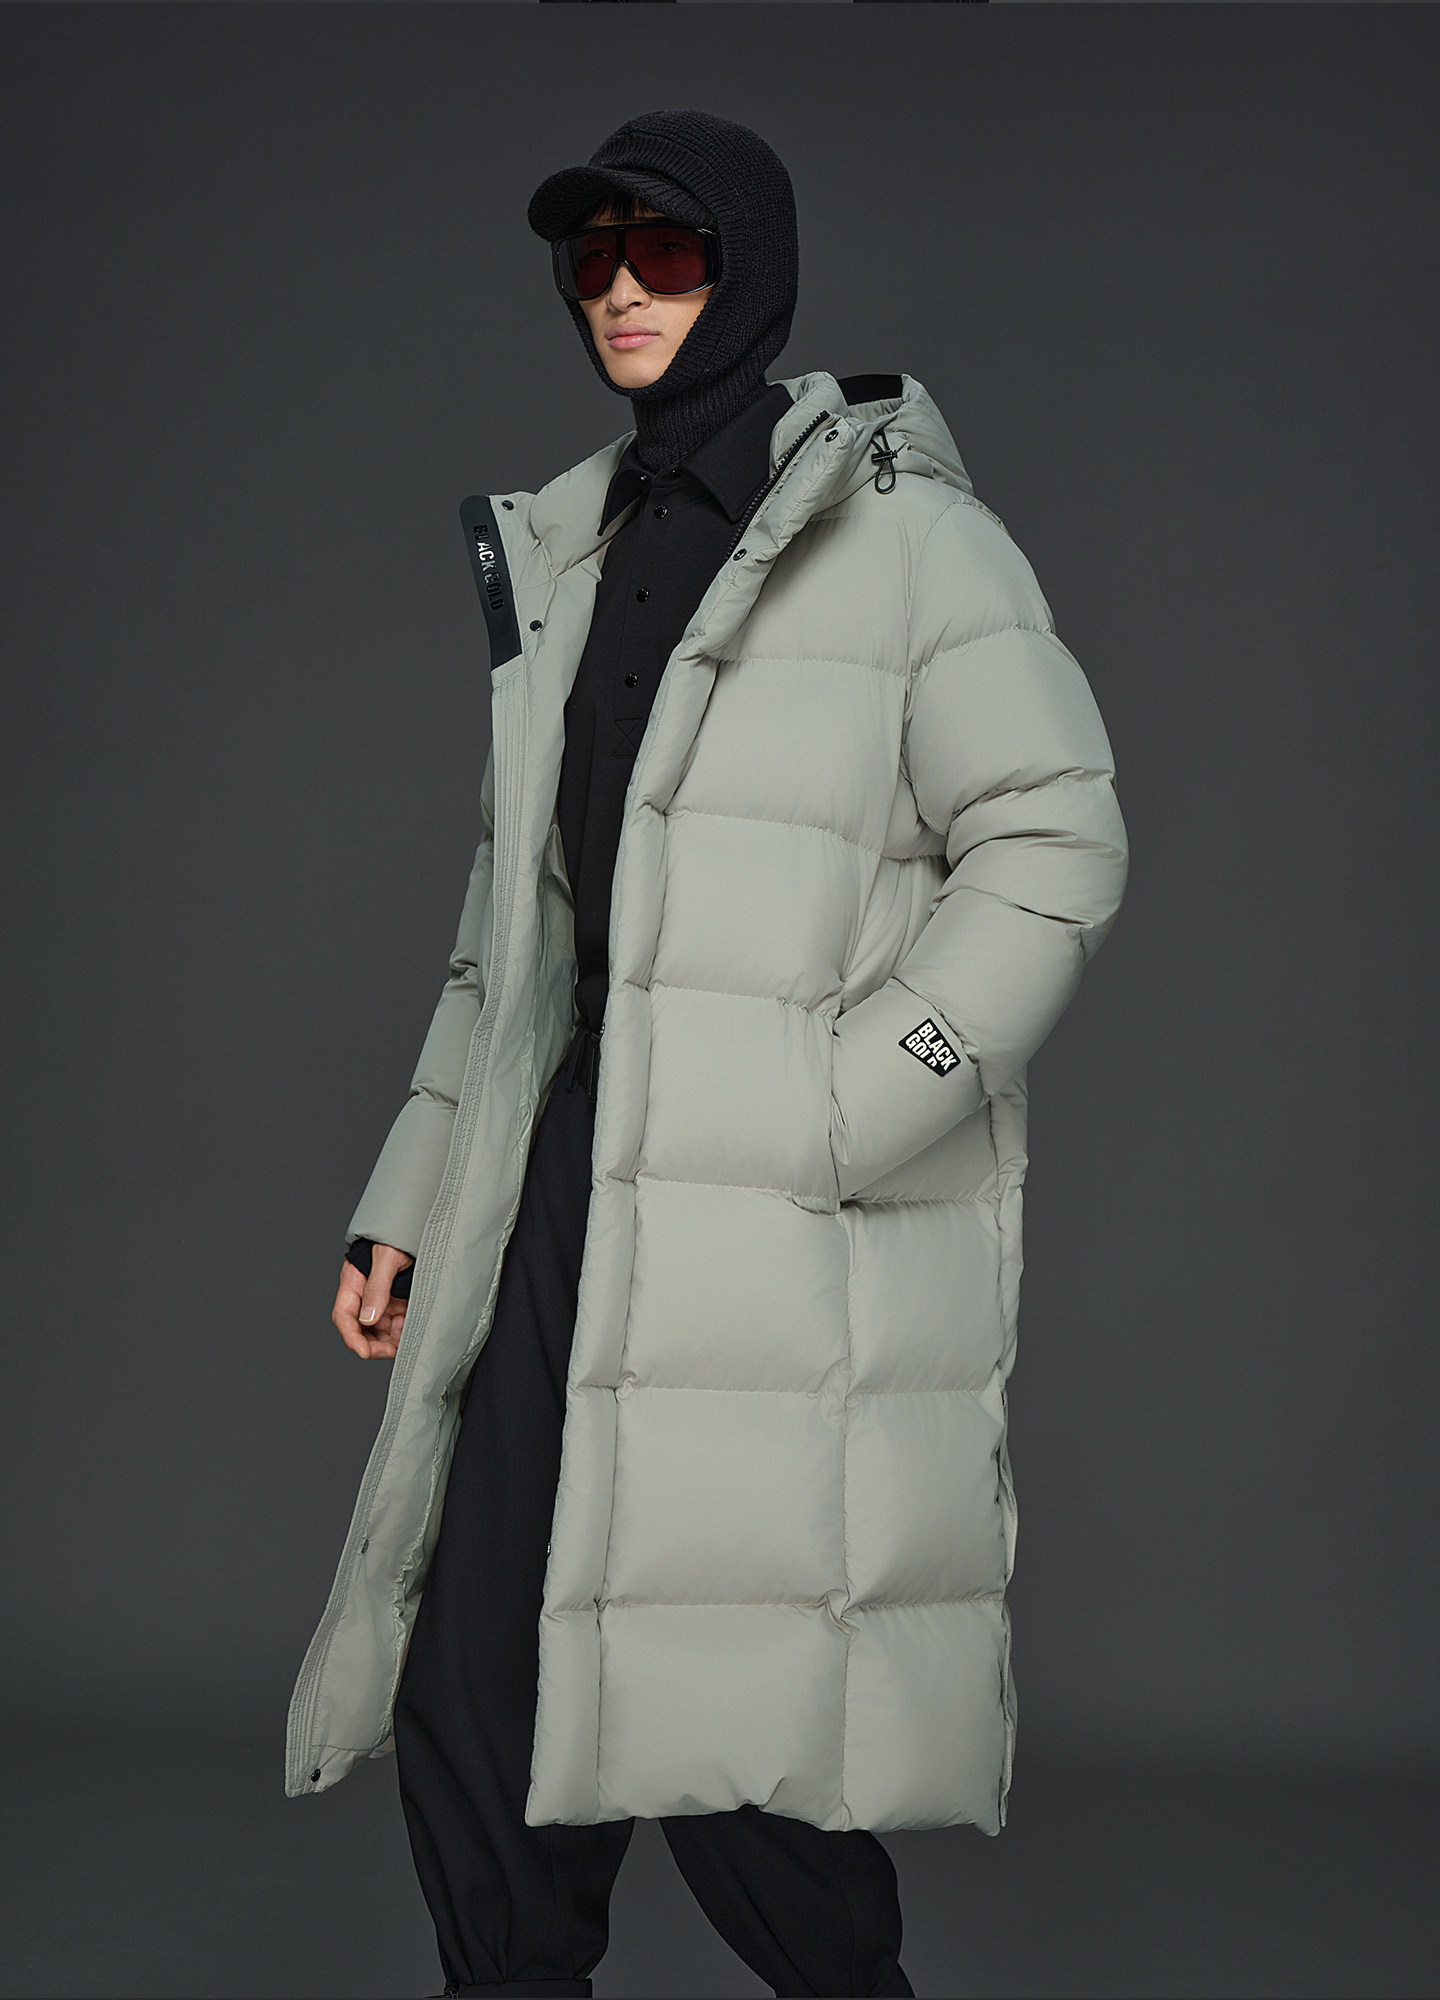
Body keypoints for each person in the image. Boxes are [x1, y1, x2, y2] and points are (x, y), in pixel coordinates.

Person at [286, 109, 1129, 2000]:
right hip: (553, 1188)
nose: (619, 292)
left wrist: (851, 1103)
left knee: (743, 1752)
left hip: (761, 1215)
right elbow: (513, 930)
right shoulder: (570, 549)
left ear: (749, 269)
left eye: (660, 251)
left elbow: (1058, 841)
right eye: (588, 259)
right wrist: (408, 1199)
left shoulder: (909, 541)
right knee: (475, 1695)